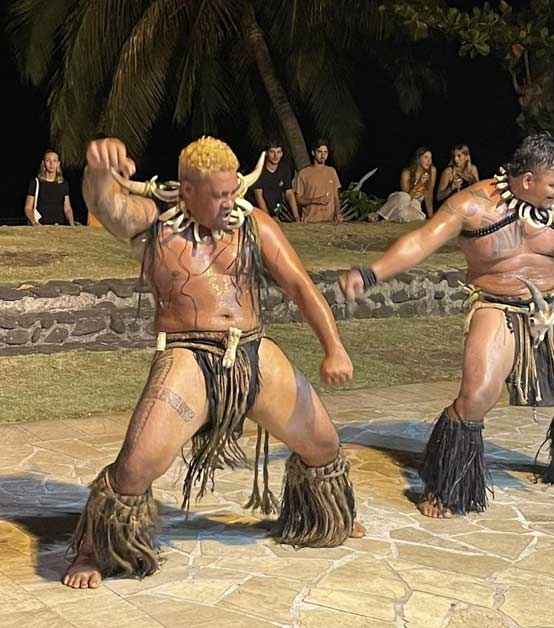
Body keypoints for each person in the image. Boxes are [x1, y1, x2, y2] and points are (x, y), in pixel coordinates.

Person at [62, 136, 363, 590]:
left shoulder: (254, 224)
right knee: (134, 469)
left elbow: (302, 287)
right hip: (188, 357)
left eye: (234, 191)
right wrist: (100, 174)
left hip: (254, 353)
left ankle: (323, 517)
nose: (230, 202)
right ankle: (93, 549)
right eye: (219, 195)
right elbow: (108, 207)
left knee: (323, 447)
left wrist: (334, 347)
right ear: (187, 191)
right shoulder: (155, 226)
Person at [339, 133, 554, 519]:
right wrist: (371, 274)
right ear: (527, 181)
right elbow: (422, 241)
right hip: (496, 306)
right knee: (476, 398)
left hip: (550, 306)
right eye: (553, 185)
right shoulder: (471, 205)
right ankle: (446, 486)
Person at [376, 147, 436, 222]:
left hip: (415, 205)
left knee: (416, 216)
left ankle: (390, 218)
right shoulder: (407, 173)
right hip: (400, 200)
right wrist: (419, 184)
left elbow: (429, 195)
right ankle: (379, 214)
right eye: (426, 157)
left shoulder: (432, 171)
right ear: (418, 159)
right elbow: (408, 197)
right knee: (405, 197)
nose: (429, 161)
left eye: (431, 158)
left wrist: (431, 217)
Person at [250, 139, 300, 222]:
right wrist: (268, 218)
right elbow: (258, 196)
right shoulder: (259, 170)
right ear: (266, 153)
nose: (275, 156)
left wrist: (296, 217)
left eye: (278, 152)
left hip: (276, 209)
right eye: (272, 152)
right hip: (257, 211)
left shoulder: (284, 169)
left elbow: (289, 193)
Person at [294, 139, 342, 222]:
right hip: (310, 221)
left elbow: (335, 196)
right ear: (313, 153)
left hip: (329, 222)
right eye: (320, 152)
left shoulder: (331, 172)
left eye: (325, 152)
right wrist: (315, 200)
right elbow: (298, 199)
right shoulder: (304, 173)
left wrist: (337, 213)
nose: (323, 155)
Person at [24, 149, 76, 226]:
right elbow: (28, 208)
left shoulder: (63, 183)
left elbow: (67, 208)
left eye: (54, 161)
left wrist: (72, 225)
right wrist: (34, 223)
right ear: (43, 163)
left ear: (58, 164)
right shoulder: (35, 182)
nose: (51, 164)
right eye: (48, 160)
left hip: (59, 226)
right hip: (41, 226)